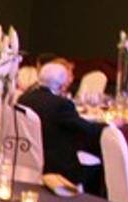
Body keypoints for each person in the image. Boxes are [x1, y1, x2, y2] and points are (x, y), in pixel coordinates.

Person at [18, 61, 106, 194]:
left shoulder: (24, 99)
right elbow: (86, 130)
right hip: (57, 166)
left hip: (30, 158)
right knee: (98, 163)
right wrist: (107, 126)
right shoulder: (61, 105)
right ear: (62, 84)